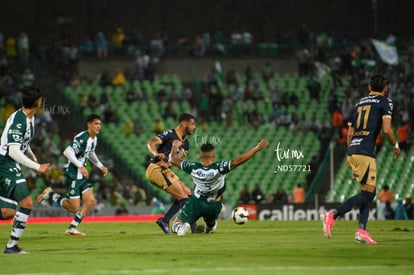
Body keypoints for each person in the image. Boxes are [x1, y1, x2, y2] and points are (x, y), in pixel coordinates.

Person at [322, 74, 401, 245]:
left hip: (354, 149)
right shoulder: (385, 102)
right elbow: (387, 130)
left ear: (369, 87)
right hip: (365, 150)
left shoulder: (358, 104)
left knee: (368, 193)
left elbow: (350, 133)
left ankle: (361, 231)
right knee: (369, 193)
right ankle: (333, 215)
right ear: (386, 89)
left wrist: (350, 153)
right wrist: (395, 146)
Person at [169, 140, 269, 235]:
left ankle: (182, 228)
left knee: (175, 225)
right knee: (210, 226)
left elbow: (173, 160)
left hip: (197, 204)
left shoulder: (193, 167)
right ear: (214, 155)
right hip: (214, 206)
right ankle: (208, 228)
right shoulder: (220, 167)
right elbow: (239, 161)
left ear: (200, 155)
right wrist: (257, 148)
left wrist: (174, 146)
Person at [37, 114, 109, 236]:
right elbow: (67, 151)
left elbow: (90, 153)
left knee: (91, 201)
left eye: (100, 124)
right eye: (96, 124)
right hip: (73, 173)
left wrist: (100, 165)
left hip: (81, 175)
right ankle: (51, 194)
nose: (99, 126)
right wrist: (80, 166)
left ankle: (72, 228)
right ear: (89, 124)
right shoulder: (82, 138)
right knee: (73, 208)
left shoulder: (94, 139)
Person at [0, 87, 50, 254]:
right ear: (37, 102)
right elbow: (13, 150)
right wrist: (37, 167)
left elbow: (23, 144)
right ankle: (11, 246)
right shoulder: (19, 120)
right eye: (41, 100)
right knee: (27, 202)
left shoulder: (30, 118)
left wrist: (34, 158)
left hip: (8, 163)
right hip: (5, 163)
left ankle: (11, 246)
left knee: (7, 212)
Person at [145, 113, 196, 234]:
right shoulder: (169, 134)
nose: (194, 127)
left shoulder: (186, 143)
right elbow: (151, 143)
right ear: (184, 123)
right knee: (183, 197)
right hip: (155, 168)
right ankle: (194, 229)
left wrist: (168, 163)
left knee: (187, 193)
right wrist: (156, 154)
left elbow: (177, 160)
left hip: (165, 169)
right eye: (192, 124)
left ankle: (165, 220)